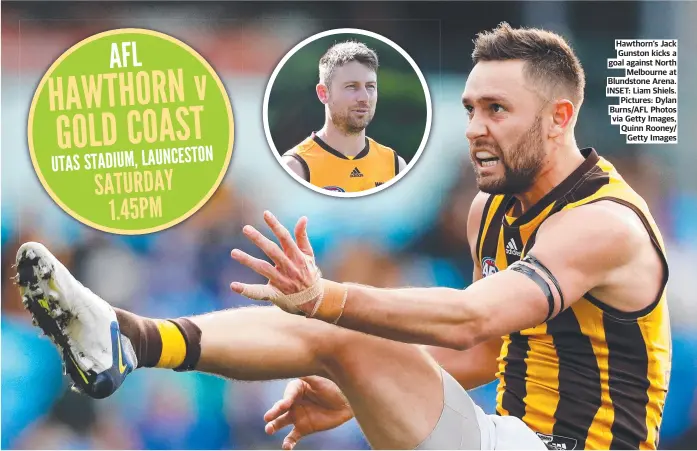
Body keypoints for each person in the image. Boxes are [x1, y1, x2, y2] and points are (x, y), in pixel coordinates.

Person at [17, 23, 670, 450]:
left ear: (559, 118)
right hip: (503, 435)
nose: (472, 126)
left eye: (496, 109)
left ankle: (128, 339)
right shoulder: (489, 210)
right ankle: (127, 339)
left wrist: (330, 301)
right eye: (470, 107)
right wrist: (356, 389)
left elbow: (475, 318)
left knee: (337, 323)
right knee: (339, 336)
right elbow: (487, 355)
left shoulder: (601, 222)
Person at [281, 40, 406, 193]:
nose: (364, 97)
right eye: (352, 86)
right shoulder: (296, 168)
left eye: (370, 86)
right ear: (323, 93)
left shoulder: (395, 165)